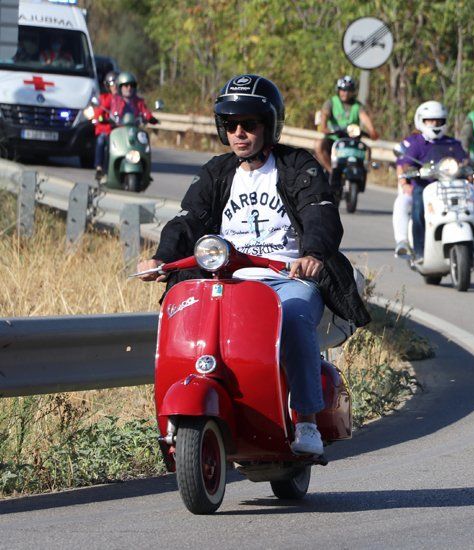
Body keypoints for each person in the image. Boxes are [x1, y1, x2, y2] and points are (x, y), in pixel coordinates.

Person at [136, 74, 370, 456]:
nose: (239, 133)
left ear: (269, 125)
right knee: (184, 310)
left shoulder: (296, 165)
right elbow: (188, 218)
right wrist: (162, 257)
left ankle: (307, 420)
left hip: (287, 279)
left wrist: (312, 254)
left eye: (249, 124)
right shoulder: (218, 171)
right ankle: (188, 422)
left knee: (293, 316)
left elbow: (319, 211)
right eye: (231, 125)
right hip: (227, 280)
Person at [393, 101, 467, 258]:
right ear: (421, 121)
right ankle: (415, 250)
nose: (434, 124)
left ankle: (473, 241)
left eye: (438, 121)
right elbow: (404, 164)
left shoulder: (453, 144)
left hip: (451, 188)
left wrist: (470, 170)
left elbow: (465, 162)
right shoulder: (415, 143)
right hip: (423, 187)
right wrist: (405, 182)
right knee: (414, 207)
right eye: (430, 120)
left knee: (472, 204)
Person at [314, 75, 379, 173]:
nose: (346, 93)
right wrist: (326, 129)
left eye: (349, 90)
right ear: (338, 90)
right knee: (318, 145)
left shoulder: (357, 106)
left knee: (367, 150)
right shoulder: (331, 103)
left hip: (351, 141)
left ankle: (362, 172)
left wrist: (372, 130)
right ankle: (331, 171)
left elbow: (364, 118)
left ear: (353, 92)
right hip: (334, 140)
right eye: (343, 90)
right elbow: (324, 117)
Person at [92, 71, 117, 178]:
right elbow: (98, 115)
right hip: (105, 129)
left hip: (119, 130)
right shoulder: (104, 98)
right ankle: (99, 167)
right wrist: (105, 119)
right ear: (108, 86)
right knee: (101, 141)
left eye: (117, 83)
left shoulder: (124, 100)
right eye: (112, 84)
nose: (115, 86)